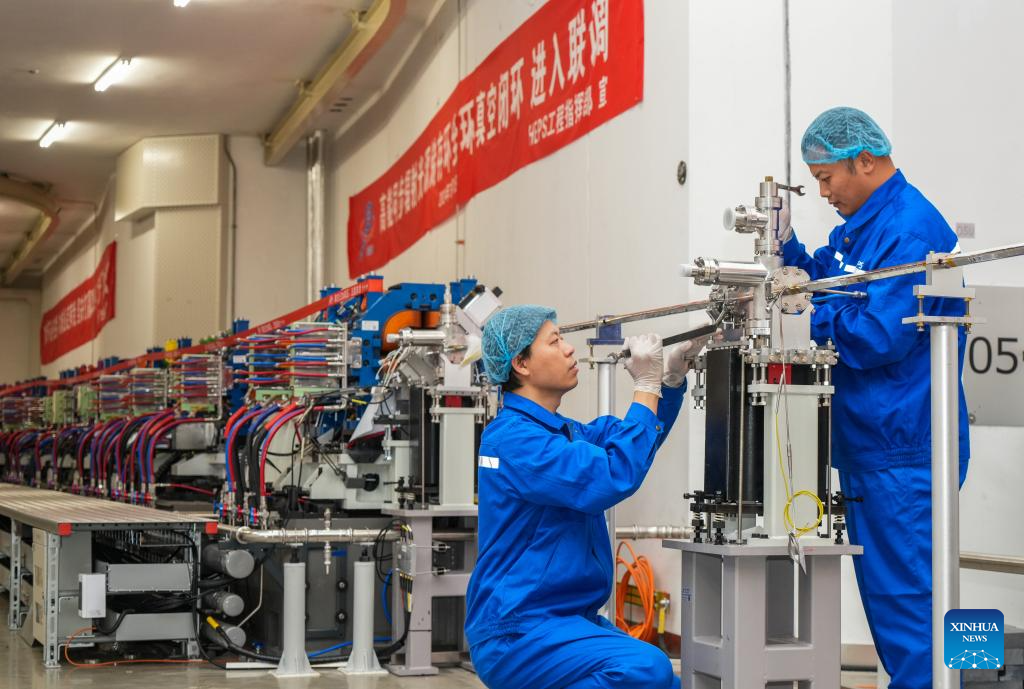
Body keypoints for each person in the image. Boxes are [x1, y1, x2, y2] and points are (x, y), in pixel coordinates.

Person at [781, 106, 970, 689]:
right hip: (873, 445)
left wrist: (806, 317)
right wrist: (787, 250)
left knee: (912, 604)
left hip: (905, 450)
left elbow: (879, 334)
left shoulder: (909, 230)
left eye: (826, 177)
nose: (823, 192)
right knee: (894, 604)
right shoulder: (863, 226)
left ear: (864, 161)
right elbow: (829, 281)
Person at [465, 305, 703, 689]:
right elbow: (612, 475)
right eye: (554, 341)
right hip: (518, 628)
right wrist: (646, 385)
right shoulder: (515, 439)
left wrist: (670, 381)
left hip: (566, 620)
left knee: (666, 684)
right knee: (646, 669)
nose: (569, 349)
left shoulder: (562, 433)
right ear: (521, 364)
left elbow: (633, 441)